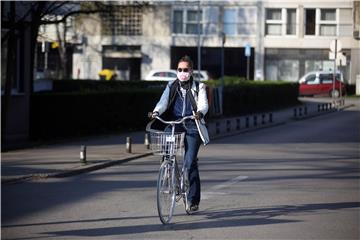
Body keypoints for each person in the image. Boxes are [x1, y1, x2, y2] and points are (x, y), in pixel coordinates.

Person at [149, 55, 209, 213]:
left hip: (192, 125)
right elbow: (163, 101)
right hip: (174, 123)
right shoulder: (171, 85)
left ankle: (193, 200)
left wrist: (200, 113)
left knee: (190, 163)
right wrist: (156, 112)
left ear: (191, 71)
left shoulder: (198, 86)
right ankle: (169, 172)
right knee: (166, 151)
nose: (182, 72)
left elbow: (203, 104)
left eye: (186, 70)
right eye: (180, 69)